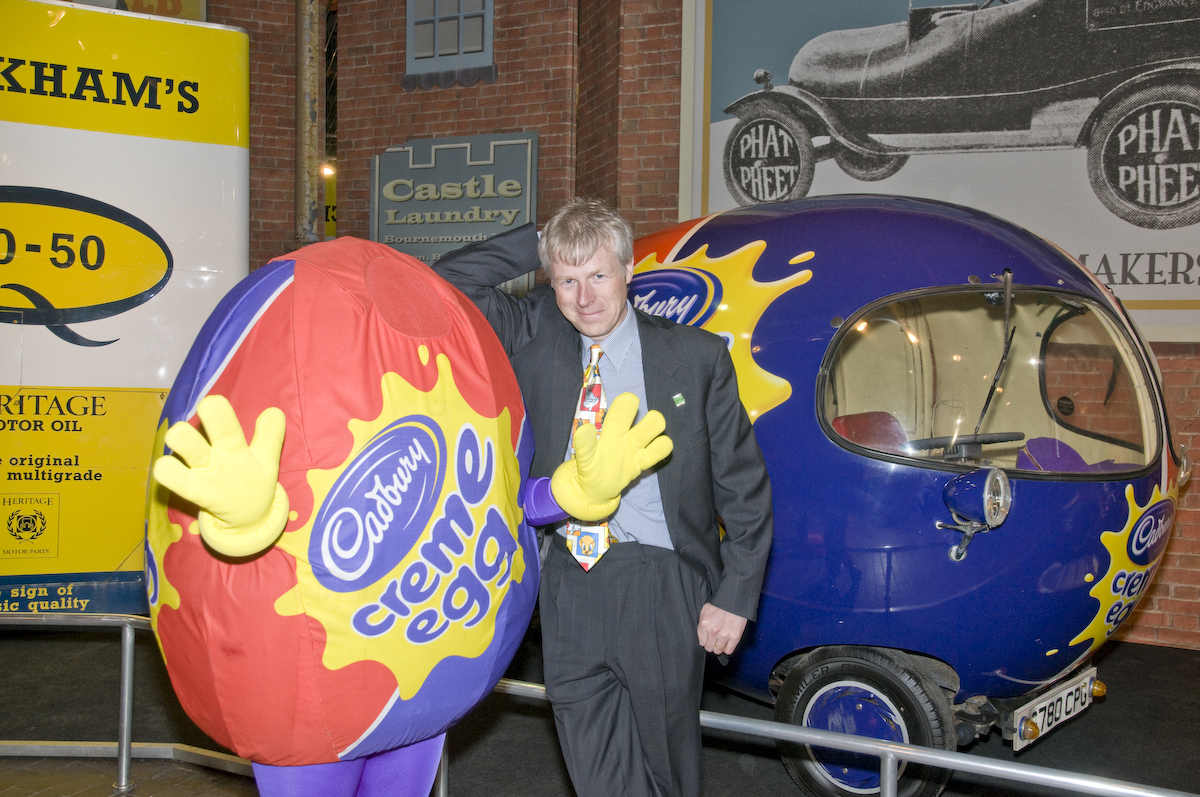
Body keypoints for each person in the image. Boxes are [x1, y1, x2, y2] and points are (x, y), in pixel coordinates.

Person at [434, 198, 772, 797]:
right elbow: (450, 280)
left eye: (597, 275)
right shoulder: (534, 331)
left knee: (667, 773)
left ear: (628, 271)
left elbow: (743, 487)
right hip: (568, 583)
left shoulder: (695, 357)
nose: (584, 298)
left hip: (661, 584)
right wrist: (548, 237)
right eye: (567, 280)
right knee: (596, 774)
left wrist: (735, 596)